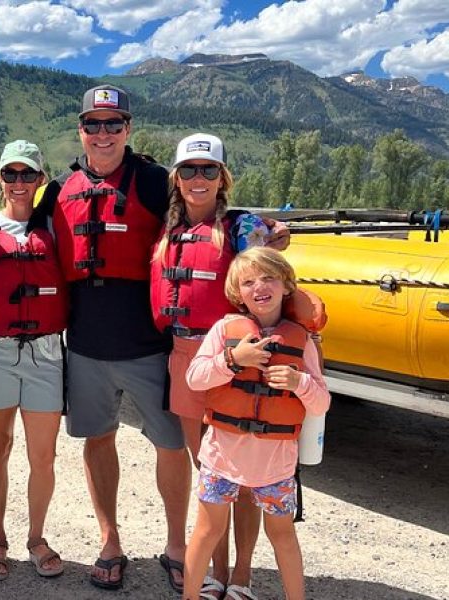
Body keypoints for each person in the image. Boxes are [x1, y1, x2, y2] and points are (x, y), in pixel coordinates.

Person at [34, 84, 190, 591]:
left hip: (148, 343)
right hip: (85, 344)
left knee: (171, 443)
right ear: (80, 129)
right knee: (97, 440)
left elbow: (208, 216)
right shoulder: (58, 189)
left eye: (114, 124)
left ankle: (176, 545)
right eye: (93, 124)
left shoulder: (154, 181)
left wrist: (258, 230)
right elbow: (23, 236)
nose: (103, 134)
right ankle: (110, 540)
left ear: (128, 129)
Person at [150, 133, 289, 597]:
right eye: (188, 170)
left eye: (208, 170)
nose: (198, 178)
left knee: (246, 476)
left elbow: (267, 280)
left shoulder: (243, 227)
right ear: (176, 178)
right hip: (188, 358)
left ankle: (243, 574)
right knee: (212, 474)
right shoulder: (167, 230)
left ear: (222, 177)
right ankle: (215, 571)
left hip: (243, 357)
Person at [182, 246, 331, 600]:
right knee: (206, 531)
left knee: (282, 536)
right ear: (237, 293)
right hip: (221, 459)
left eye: (268, 278)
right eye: (248, 282)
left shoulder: (302, 340)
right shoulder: (224, 330)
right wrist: (234, 359)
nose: (259, 287)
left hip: (275, 468)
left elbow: (322, 401)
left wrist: (300, 383)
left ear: (285, 285)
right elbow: (195, 378)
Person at [0, 140, 67, 581]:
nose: (19, 183)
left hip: (46, 353)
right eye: (11, 174)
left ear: (41, 180)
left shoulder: (56, 232)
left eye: (29, 175)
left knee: (43, 456)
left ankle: (37, 537)